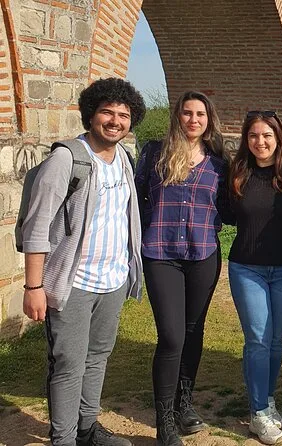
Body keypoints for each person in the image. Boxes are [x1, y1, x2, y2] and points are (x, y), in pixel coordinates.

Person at [21, 78, 145, 446]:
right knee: (68, 364)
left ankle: (87, 428)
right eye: (107, 112)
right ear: (91, 114)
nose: (115, 121)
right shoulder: (66, 159)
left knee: (98, 357)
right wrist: (33, 286)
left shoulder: (124, 159)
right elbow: (37, 225)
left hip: (113, 279)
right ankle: (64, 438)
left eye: (123, 115)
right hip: (72, 283)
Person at [135, 91, 231, 446]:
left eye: (200, 114)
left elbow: (231, 206)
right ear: (177, 116)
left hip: (203, 254)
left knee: (193, 332)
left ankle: (183, 403)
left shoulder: (219, 163)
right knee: (172, 336)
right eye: (187, 113)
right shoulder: (155, 153)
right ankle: (164, 420)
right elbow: (136, 197)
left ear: (208, 120)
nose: (193, 119)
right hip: (161, 254)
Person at [227, 111, 282, 445]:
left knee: (276, 340)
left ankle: (267, 398)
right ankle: (259, 411)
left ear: (278, 138)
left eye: (266, 136)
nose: (260, 142)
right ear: (246, 140)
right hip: (247, 267)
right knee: (258, 339)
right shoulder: (236, 172)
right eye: (253, 136)